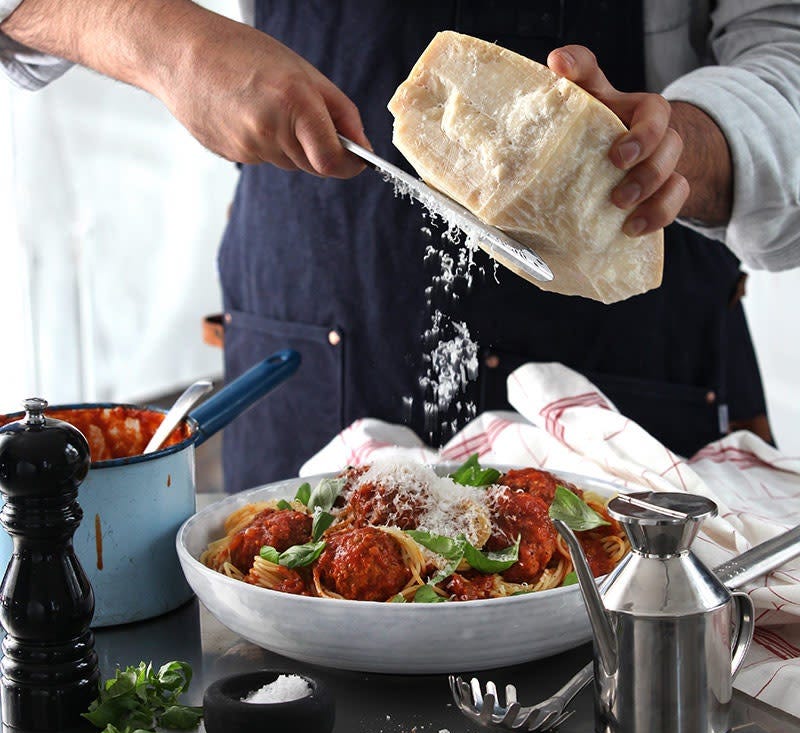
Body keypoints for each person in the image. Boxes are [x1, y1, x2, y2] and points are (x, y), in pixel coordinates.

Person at [2, 1, 798, 492]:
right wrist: (167, 40)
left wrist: (683, 146)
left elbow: (786, 50)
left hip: (636, 383)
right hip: (317, 343)